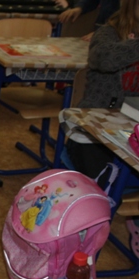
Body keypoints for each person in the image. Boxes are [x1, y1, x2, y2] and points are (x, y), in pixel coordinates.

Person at [64, 0, 139, 254]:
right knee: (107, 183)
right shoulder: (107, 34)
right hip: (91, 135)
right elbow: (103, 58)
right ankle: (81, 240)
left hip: (131, 135)